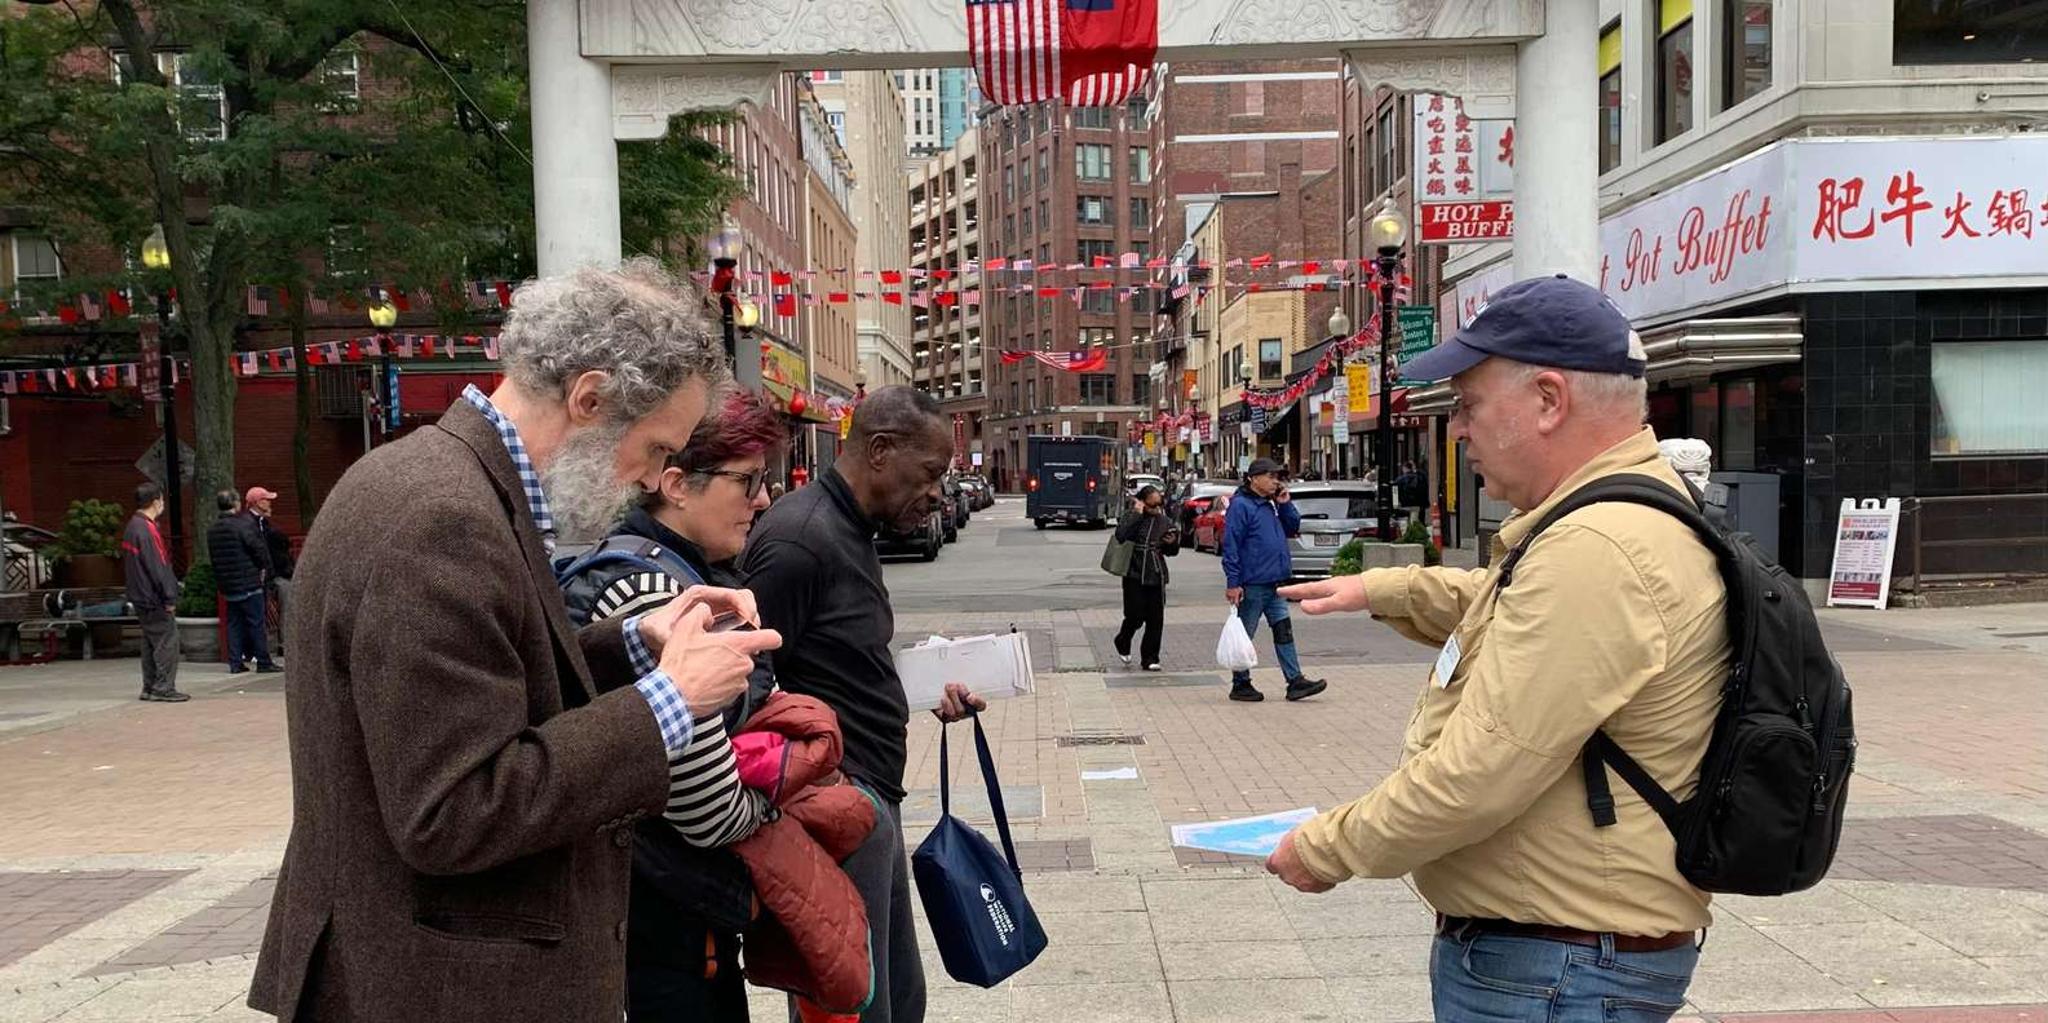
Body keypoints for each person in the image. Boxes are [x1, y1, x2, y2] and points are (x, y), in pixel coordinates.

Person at [249, 260, 783, 1023]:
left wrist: (636, 641)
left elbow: (486, 683)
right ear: (590, 399)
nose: (652, 477)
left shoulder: (441, 481)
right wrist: (667, 702)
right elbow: (454, 807)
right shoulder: (443, 517)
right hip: (435, 988)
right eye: (659, 447)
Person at [1265, 275, 1730, 1023]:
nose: (1457, 429)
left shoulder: (1596, 547)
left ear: (1548, 400)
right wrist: (1384, 589)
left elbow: (1478, 773)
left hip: (1556, 968)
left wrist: (1326, 847)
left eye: (1469, 404)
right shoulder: (1616, 517)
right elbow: (1503, 602)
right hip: (1565, 956)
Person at [742, 385, 985, 1023]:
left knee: (898, 999)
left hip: (870, 801)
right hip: (839, 809)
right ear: (879, 451)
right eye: (929, 473)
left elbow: (838, 662)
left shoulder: (847, 529)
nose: (937, 493)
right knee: (855, 1008)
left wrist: (927, 688)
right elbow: (746, 682)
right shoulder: (801, 539)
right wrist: (826, 785)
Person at [558, 391, 785, 1022]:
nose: (763, 500)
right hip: (663, 938)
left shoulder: (660, 570)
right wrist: (787, 790)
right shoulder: (653, 592)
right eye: (748, 481)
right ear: (678, 485)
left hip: (658, 926)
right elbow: (710, 812)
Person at [1219, 459, 1325, 703]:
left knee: (1283, 630)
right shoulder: (1241, 506)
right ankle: (1240, 683)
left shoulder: (1271, 503)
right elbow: (1231, 545)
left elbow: (1292, 527)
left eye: (1277, 477)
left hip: (1275, 583)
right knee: (1244, 635)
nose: (1276, 481)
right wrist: (1233, 582)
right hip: (1253, 584)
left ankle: (1295, 680)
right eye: (1270, 476)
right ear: (1253, 478)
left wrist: (1285, 505)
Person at [121, 482, 186, 703]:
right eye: (162, 500)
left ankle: (150, 686)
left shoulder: (133, 526)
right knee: (167, 641)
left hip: (140, 594)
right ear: (156, 502)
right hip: (152, 597)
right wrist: (169, 596)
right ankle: (163, 687)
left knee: (150, 641)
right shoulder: (147, 530)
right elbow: (158, 566)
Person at [205, 490, 278, 674]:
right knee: (256, 623)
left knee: (234, 623)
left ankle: (235, 662)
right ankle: (263, 661)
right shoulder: (243, 525)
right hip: (249, 581)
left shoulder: (212, 530)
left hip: (228, 584)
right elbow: (258, 550)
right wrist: (265, 570)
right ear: (236, 504)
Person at [1112, 485, 1177, 672]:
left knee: (1155, 619)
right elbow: (1120, 536)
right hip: (1134, 573)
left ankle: (1150, 658)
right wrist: (1136, 513)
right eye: (1152, 505)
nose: (1156, 509)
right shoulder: (1132, 517)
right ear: (1142, 503)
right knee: (1135, 615)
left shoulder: (1164, 521)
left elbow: (1173, 550)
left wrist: (1172, 543)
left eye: (1159, 504)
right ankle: (1123, 639)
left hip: (1156, 574)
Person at [246, 486, 293, 650]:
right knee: (285, 592)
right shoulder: (252, 526)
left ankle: (283, 642)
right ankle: (277, 643)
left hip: (271, 574)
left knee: (286, 593)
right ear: (258, 502)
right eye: (266, 499)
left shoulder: (265, 525)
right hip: (260, 576)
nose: (270, 503)